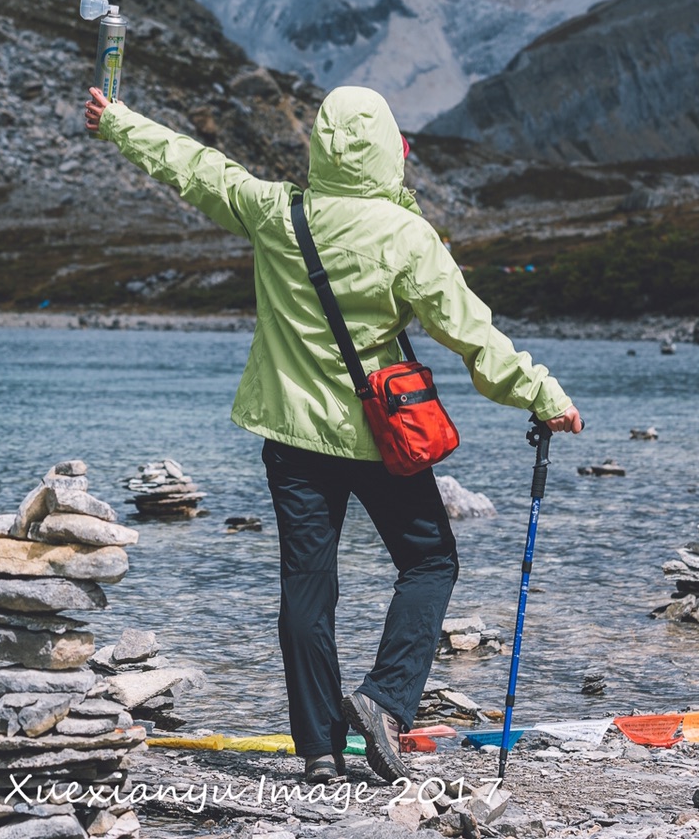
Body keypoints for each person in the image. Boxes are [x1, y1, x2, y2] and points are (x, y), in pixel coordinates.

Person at [84, 83, 583, 785]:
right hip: (385, 441)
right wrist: (545, 396)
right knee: (431, 562)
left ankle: (318, 748)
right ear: (388, 151)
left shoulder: (275, 212)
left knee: (308, 589)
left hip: (292, 441)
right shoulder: (407, 236)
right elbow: (475, 338)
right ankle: (383, 699)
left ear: (319, 147)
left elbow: (193, 166)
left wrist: (119, 122)